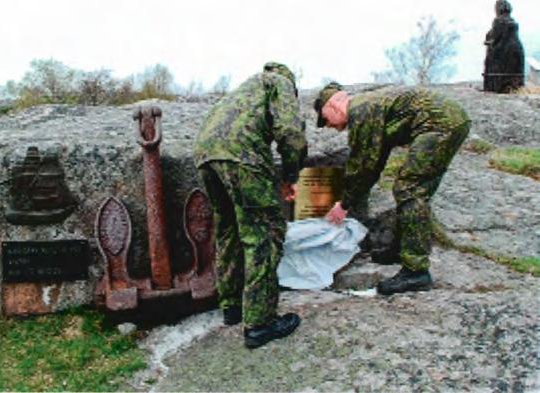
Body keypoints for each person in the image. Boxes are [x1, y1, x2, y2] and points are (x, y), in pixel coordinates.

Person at [313, 82, 470, 295]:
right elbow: (376, 162)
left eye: (326, 119)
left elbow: (364, 165)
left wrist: (344, 204)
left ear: (333, 105)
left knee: (409, 189)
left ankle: (415, 271)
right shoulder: (370, 108)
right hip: (450, 121)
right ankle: (400, 249)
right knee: (415, 190)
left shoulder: (361, 110)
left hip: (439, 124)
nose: (329, 125)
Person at [194, 62, 307, 348]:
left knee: (229, 228)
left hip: (205, 157)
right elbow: (290, 133)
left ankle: (232, 306)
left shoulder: (243, 90)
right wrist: (291, 175)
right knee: (264, 236)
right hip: (242, 157)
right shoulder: (279, 83)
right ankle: (261, 323)